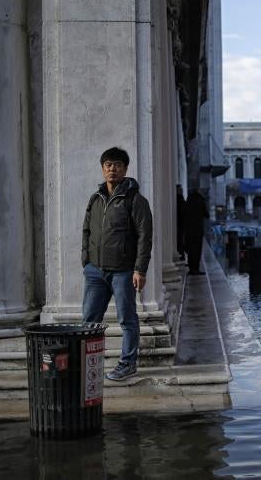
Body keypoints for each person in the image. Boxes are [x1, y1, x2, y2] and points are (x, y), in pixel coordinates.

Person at [82, 147, 153, 381]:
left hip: (123, 271)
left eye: (117, 165)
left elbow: (145, 235)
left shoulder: (135, 200)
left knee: (127, 320)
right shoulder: (96, 198)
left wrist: (140, 269)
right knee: (89, 321)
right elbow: (87, 231)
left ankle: (128, 363)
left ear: (125, 169)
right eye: (108, 165)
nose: (112, 169)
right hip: (95, 272)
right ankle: (88, 364)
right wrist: (86, 262)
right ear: (103, 169)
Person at [184, 189, 209, 275]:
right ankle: (196, 269)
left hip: (189, 229)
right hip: (198, 230)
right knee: (197, 250)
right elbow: (206, 214)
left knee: (191, 249)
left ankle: (191, 268)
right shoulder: (201, 201)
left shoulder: (188, 201)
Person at [176, 185, 186, 261]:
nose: (182, 191)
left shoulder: (180, 199)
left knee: (181, 241)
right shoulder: (179, 200)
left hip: (180, 224)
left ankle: (181, 255)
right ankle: (181, 255)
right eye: (180, 190)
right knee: (180, 241)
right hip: (179, 224)